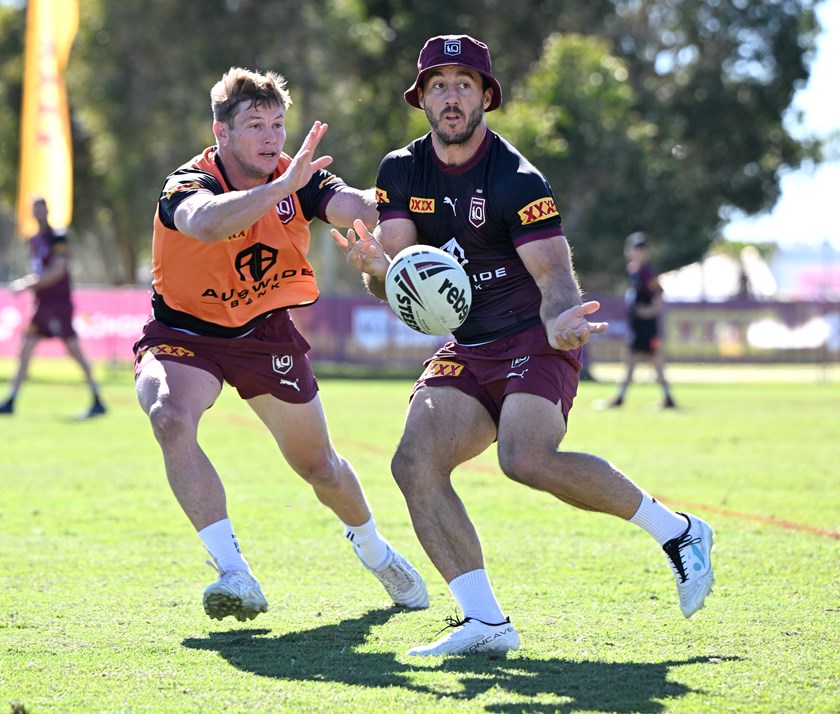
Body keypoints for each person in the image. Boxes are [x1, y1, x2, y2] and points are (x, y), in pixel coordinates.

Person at [331, 35, 714, 656]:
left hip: (535, 337)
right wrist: (376, 267)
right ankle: (485, 622)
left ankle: (679, 533)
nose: (450, 98)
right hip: (468, 346)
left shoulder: (515, 178)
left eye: (463, 85)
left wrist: (563, 320)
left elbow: (555, 278)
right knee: (412, 463)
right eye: (437, 86)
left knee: (524, 458)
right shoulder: (400, 170)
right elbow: (399, 279)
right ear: (421, 99)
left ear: (486, 95)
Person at [133, 67, 428, 623]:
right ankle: (234, 573)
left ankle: (374, 549)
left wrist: (413, 209)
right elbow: (204, 225)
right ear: (221, 133)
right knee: (169, 415)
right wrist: (279, 189)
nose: (272, 137)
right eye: (255, 125)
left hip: (263, 332)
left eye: (277, 124)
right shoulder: (187, 184)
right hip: (184, 333)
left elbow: (360, 207)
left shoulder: (301, 181)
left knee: (320, 467)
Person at [1, 197, 106, 419]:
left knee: (73, 350)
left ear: (47, 211)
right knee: (25, 349)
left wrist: (27, 284)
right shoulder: (34, 240)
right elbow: (39, 269)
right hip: (41, 305)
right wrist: (30, 284)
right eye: (34, 209)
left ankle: (97, 397)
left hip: (58, 305)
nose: (38, 213)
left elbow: (58, 270)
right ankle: (11, 399)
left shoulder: (58, 236)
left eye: (41, 209)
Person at [603, 231, 676, 409]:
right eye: (634, 249)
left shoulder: (647, 271)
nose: (636, 252)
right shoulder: (633, 270)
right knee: (639, 360)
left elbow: (659, 293)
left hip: (646, 326)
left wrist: (650, 311)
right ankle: (666, 398)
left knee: (643, 360)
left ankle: (621, 398)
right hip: (638, 325)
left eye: (640, 249)